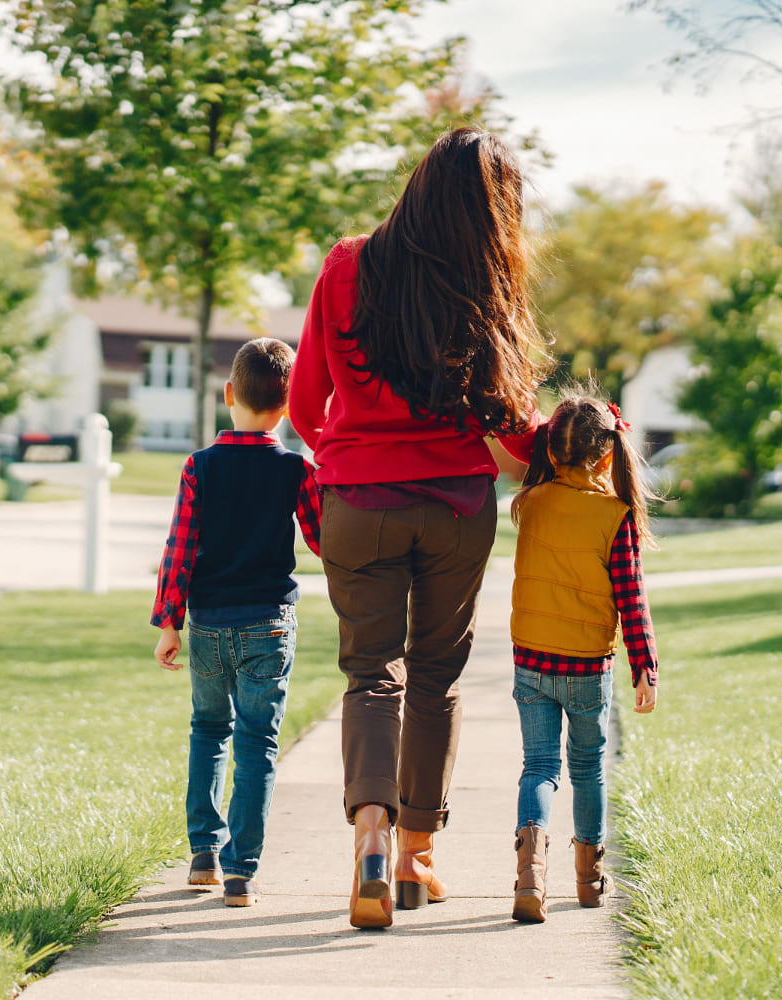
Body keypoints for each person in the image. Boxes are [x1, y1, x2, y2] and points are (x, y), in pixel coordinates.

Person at [289, 127, 548, 928]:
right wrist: (578, 439)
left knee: (371, 675)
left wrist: (347, 453)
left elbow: (304, 402)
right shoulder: (484, 284)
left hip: (359, 504)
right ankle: (415, 857)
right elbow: (512, 428)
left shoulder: (346, 263)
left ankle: (367, 836)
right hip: (455, 509)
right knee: (434, 678)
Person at [151, 337, 322, 908]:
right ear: (289, 405)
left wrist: (168, 622)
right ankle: (241, 870)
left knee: (208, 729)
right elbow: (322, 541)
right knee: (257, 742)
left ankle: (204, 853)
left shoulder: (199, 466)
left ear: (228, 394)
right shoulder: (296, 469)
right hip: (269, 623)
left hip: (208, 623)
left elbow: (180, 547)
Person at [506, 391, 660, 924]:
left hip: (531, 660)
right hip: (588, 667)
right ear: (605, 456)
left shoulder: (530, 503)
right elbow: (630, 597)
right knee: (588, 766)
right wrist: (645, 667)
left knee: (539, 767)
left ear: (551, 452)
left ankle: (531, 876)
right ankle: (589, 879)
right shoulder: (614, 517)